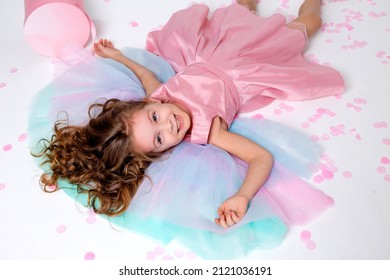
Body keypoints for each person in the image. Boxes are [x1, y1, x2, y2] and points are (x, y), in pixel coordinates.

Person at [30, 0, 343, 258]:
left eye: (155, 117)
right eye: (160, 137)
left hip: (214, 49)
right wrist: (242, 196)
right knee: (302, 29)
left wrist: (116, 56)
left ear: (145, 103)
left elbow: (143, 72)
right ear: (163, 151)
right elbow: (261, 157)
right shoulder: (209, 131)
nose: (168, 123)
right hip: (249, 68)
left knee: (241, 10)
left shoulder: (160, 94)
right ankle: (311, 7)